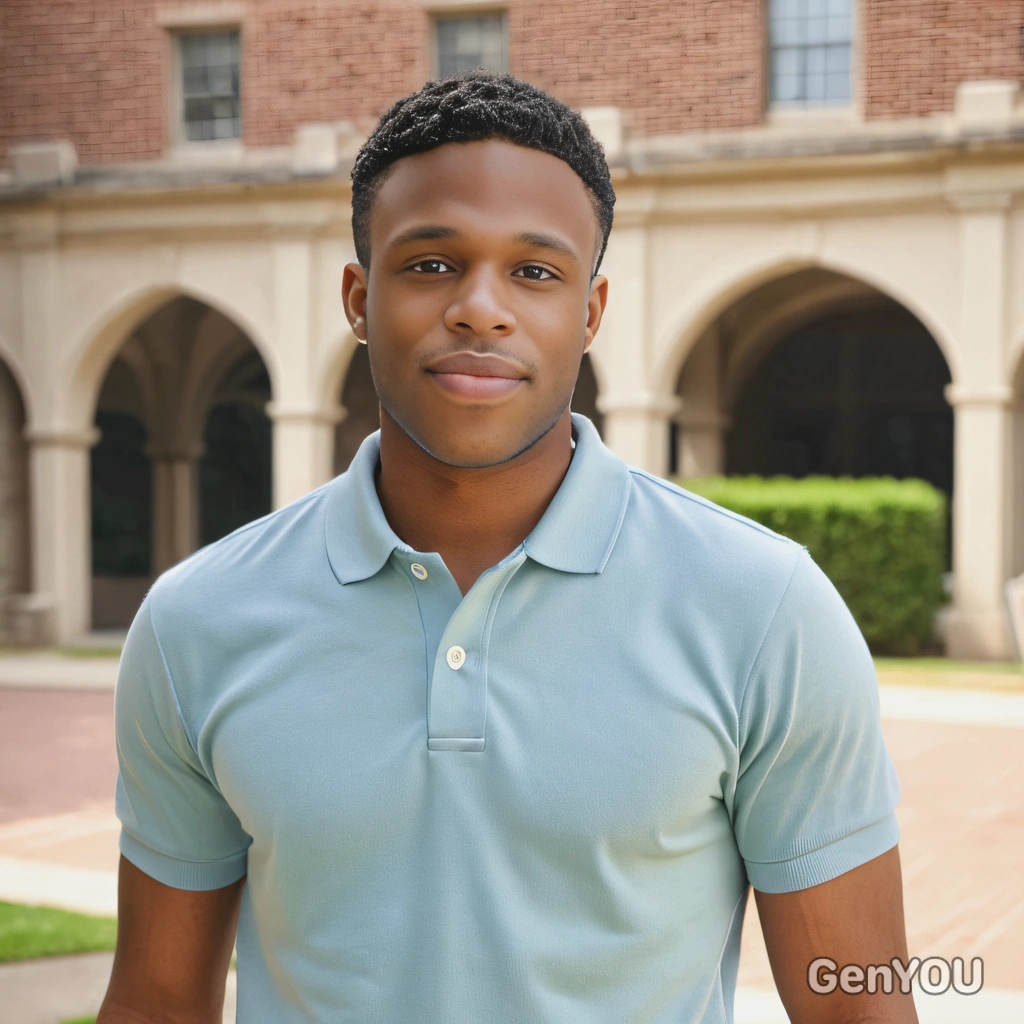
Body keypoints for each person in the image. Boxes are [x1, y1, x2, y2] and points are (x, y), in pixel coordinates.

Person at [99, 71, 917, 1024]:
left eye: (535, 272)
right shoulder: (198, 622)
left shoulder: (764, 608)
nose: (481, 308)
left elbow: (856, 1006)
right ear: (359, 299)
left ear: (591, 312)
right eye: (431, 263)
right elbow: (157, 1000)